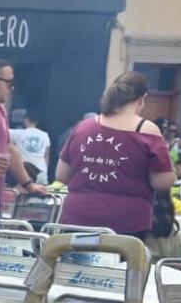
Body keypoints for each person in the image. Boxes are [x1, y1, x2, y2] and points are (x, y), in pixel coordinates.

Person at [55, 73, 173, 241]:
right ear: (142, 98)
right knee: (120, 267)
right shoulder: (146, 130)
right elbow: (163, 182)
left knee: (79, 267)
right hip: (127, 222)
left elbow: (61, 175)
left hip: (78, 218)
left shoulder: (83, 127)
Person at [0, 63, 44, 210]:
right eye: (9, 83)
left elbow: (9, 149)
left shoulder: (0, 111)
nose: (12, 88)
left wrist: (28, 184)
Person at [11, 111, 50, 184]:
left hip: (24, 174)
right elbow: (46, 156)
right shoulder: (45, 135)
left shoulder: (18, 133)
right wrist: (45, 171)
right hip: (41, 173)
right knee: (41, 194)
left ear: (26, 120)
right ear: (37, 122)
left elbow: (0, 131)